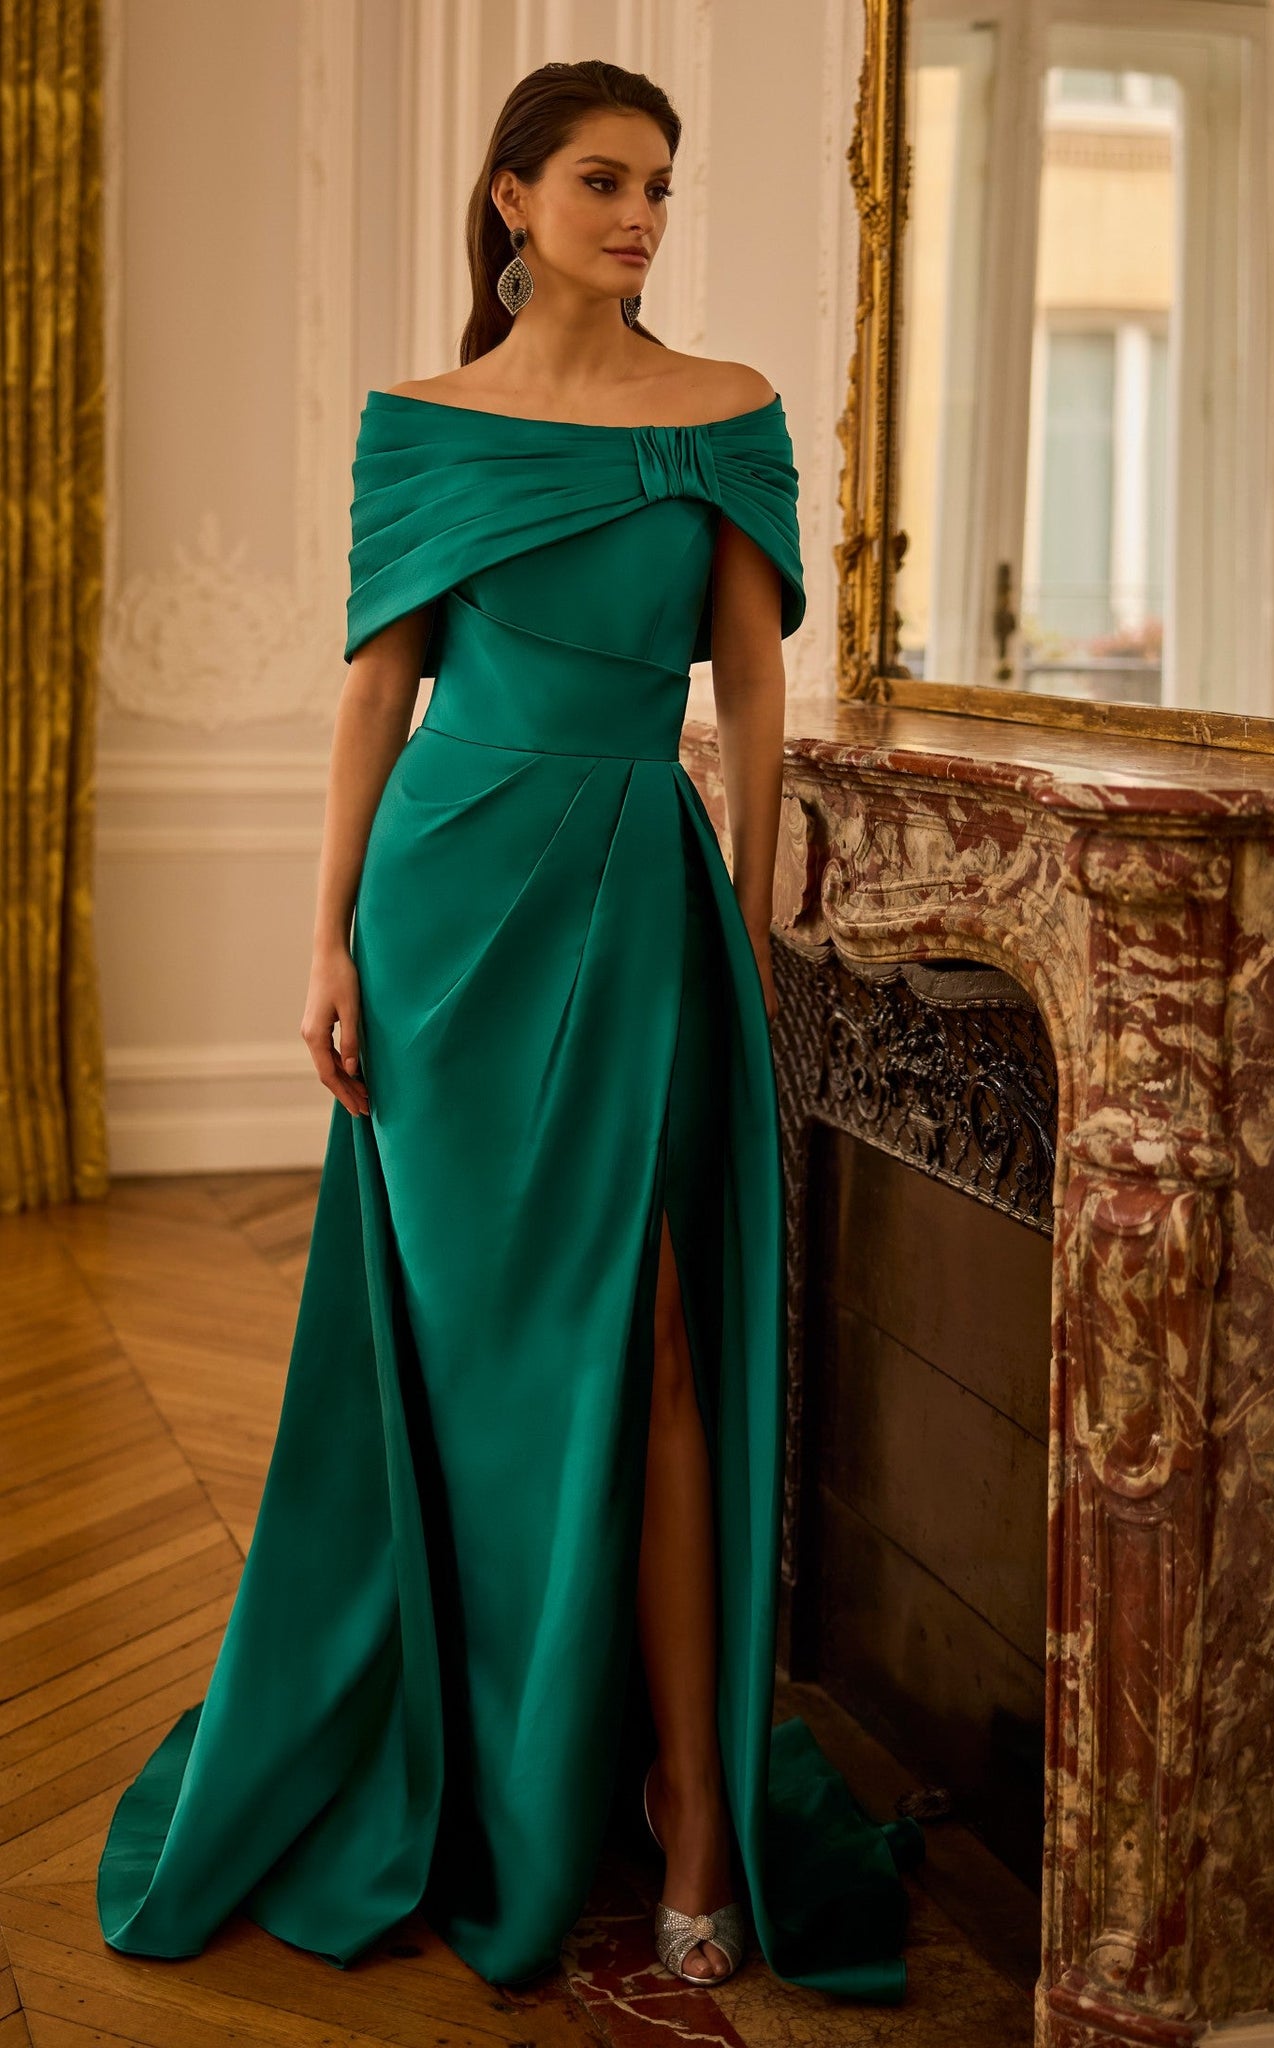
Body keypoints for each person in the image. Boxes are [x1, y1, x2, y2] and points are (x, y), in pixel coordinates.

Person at [97, 57, 923, 1998]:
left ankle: (689, 1801)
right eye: (605, 181)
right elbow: (376, 694)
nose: (641, 218)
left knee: (652, 1343)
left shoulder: (725, 410)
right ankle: (476, 1762)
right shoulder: (420, 424)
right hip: (442, 911)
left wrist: (743, 921)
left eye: (660, 188)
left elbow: (751, 692)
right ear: (512, 199)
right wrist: (325, 943)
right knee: (466, 1360)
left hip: (635, 897)